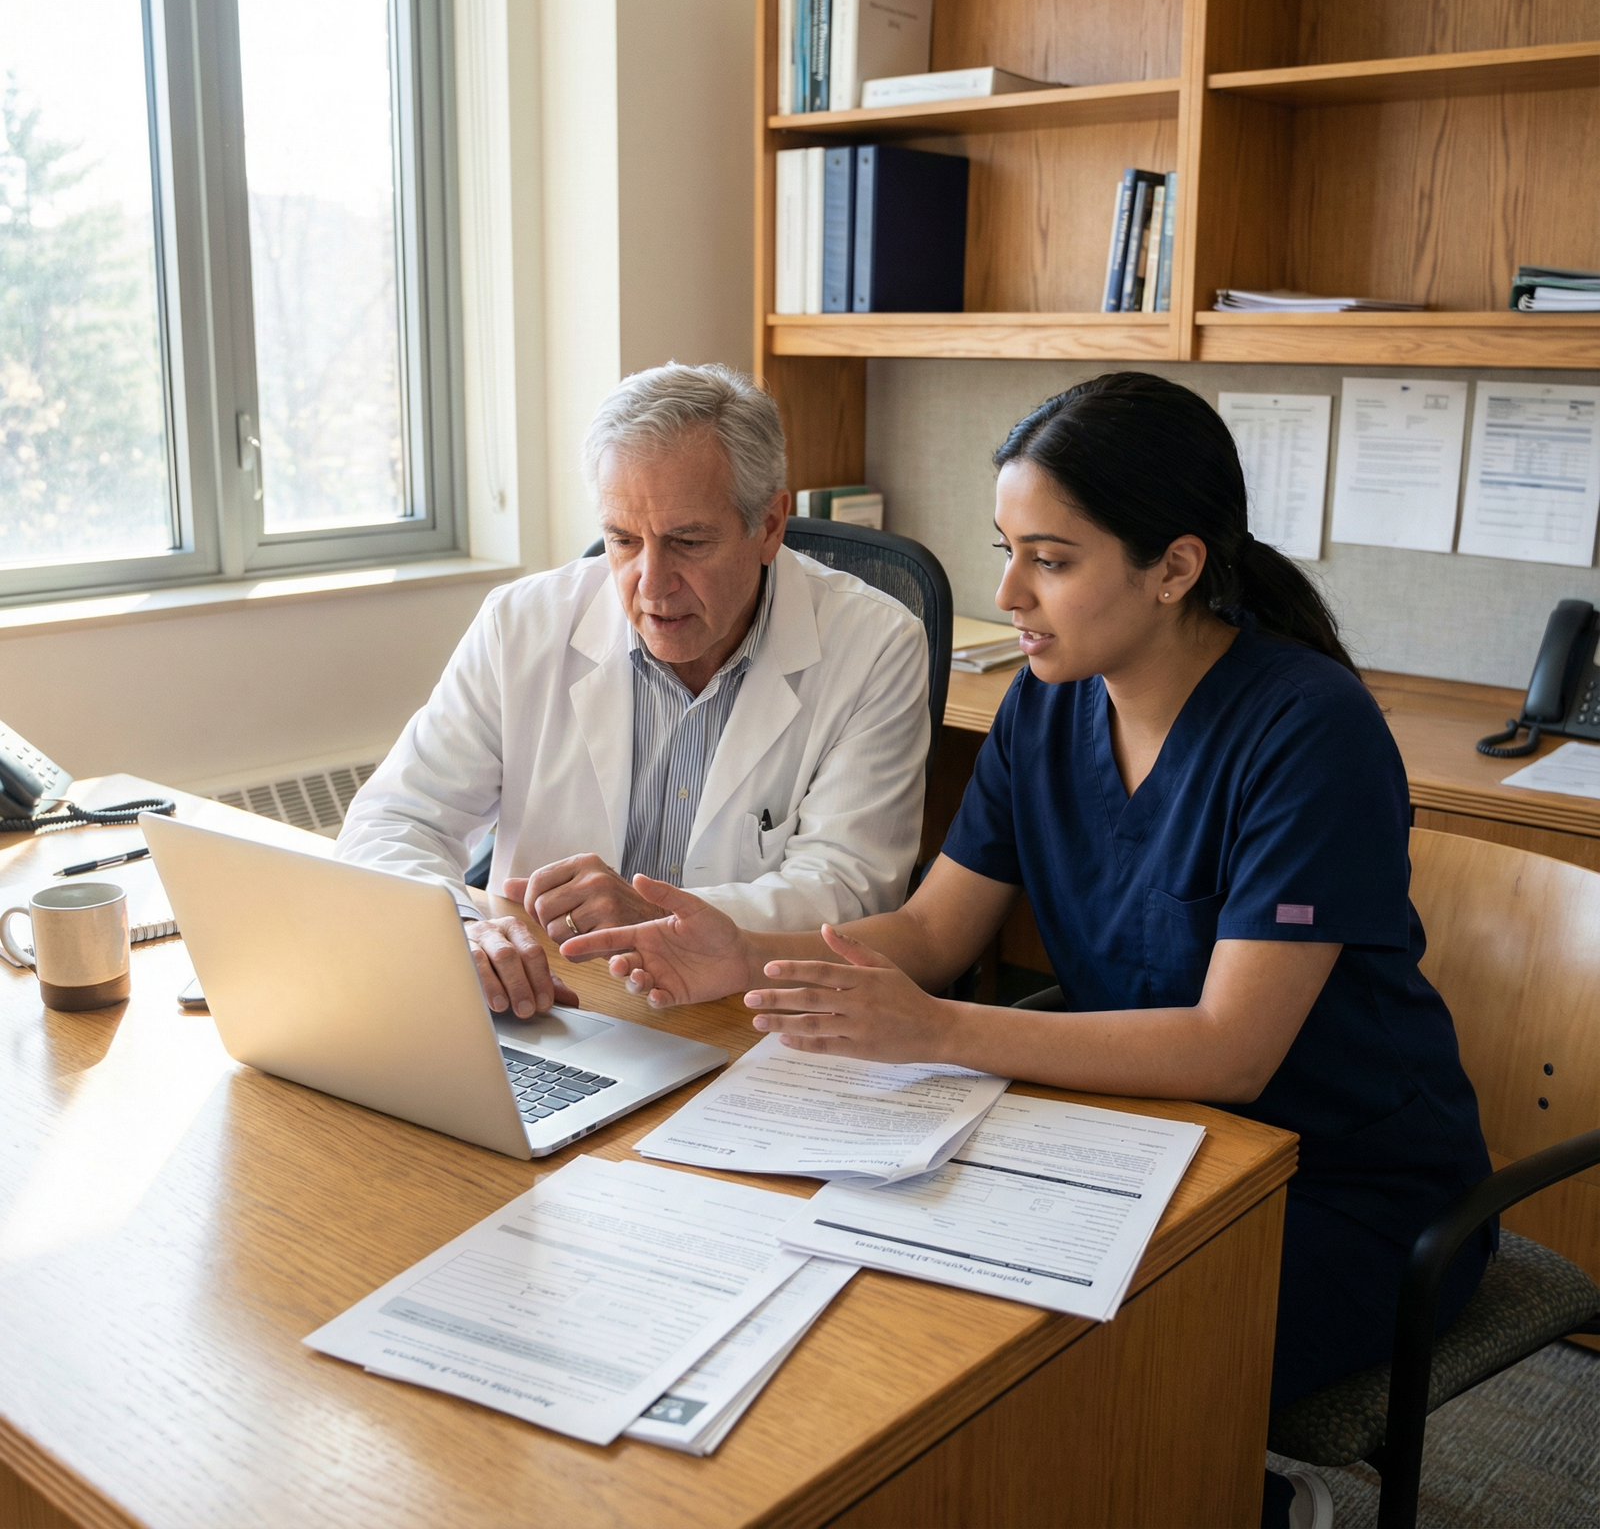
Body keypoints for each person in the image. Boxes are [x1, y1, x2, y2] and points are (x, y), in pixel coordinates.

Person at [565, 371, 1494, 1529]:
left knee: (1050, 1373)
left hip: (1340, 1184)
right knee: (917, 1321)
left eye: (1049, 560)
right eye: (1005, 549)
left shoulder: (1307, 731)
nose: (1005, 592)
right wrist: (743, 952)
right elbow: (932, 930)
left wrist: (945, 1027)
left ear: (1174, 566)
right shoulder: (1048, 701)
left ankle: (1243, 1487)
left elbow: (1232, 1050)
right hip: (1138, 1139)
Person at [338, 362, 929, 1023]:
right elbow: (394, 819)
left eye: (687, 542)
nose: (651, 584)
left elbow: (850, 895)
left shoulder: (877, 645)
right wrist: (459, 928)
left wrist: (659, 919)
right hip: (558, 1005)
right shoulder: (522, 624)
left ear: (768, 525)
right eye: (624, 540)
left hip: (750, 1017)